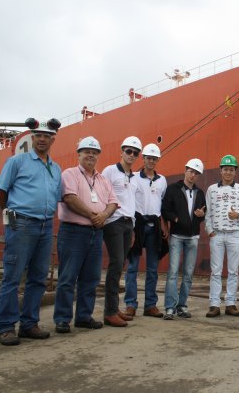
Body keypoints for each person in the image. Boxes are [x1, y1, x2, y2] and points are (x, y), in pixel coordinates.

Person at [0, 117, 62, 345]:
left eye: (46, 136)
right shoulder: (17, 162)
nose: (42, 139)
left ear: (53, 140)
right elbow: (1, 191)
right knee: (12, 277)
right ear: (32, 138)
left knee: (38, 278)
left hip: (45, 226)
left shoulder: (56, 168)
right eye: (38, 135)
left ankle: (29, 324)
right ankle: (6, 327)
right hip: (22, 223)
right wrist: (11, 215)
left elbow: (56, 196)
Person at [54, 136, 118, 333]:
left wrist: (103, 216)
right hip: (73, 232)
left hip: (95, 233)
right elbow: (69, 198)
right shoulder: (69, 174)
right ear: (79, 154)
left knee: (91, 278)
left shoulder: (103, 180)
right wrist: (93, 216)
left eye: (94, 152)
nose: (91, 155)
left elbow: (113, 202)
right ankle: (62, 319)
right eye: (87, 151)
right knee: (68, 277)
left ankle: (83, 316)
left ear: (98, 155)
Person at [101, 136, 142, 327]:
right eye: (129, 151)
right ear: (122, 151)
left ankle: (114, 308)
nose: (132, 155)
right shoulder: (110, 171)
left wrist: (132, 228)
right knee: (116, 264)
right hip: (114, 222)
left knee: (120, 265)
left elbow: (131, 204)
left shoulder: (134, 178)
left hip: (127, 224)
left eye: (135, 153)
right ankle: (109, 312)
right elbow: (102, 193)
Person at [205, 154, 239, 317]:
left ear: (235, 172)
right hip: (217, 235)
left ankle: (231, 303)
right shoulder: (211, 189)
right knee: (215, 271)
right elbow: (208, 213)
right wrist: (210, 231)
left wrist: (238, 214)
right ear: (220, 171)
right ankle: (214, 304)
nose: (228, 172)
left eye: (231, 170)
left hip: (234, 235)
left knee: (233, 271)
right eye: (225, 169)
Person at [124, 143, 168, 318]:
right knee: (132, 267)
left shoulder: (162, 180)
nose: (151, 161)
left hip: (154, 225)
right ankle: (130, 304)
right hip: (137, 224)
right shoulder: (134, 178)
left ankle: (150, 305)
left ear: (157, 160)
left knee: (152, 268)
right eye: (149, 158)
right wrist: (130, 228)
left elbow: (162, 204)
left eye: (154, 159)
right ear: (143, 159)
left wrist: (164, 225)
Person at [161, 158, 206, 320]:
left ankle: (182, 305)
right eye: (191, 171)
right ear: (185, 170)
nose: (193, 175)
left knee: (188, 274)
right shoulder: (173, 189)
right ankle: (170, 307)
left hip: (193, 237)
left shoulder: (200, 193)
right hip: (177, 236)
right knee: (173, 272)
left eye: (196, 173)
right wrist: (176, 219)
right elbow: (165, 210)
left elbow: (203, 213)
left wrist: (201, 215)